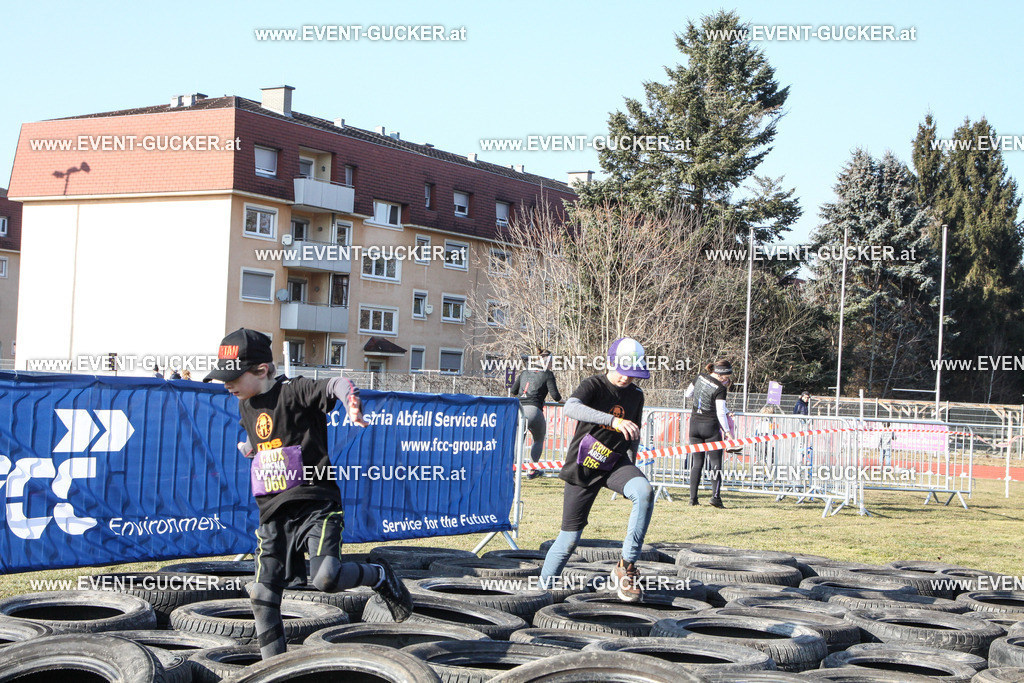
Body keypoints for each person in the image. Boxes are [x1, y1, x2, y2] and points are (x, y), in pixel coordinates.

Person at [204, 328, 412, 660]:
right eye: (222, 377)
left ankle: (380, 574)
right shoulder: (244, 403)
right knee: (261, 596)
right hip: (272, 512)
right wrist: (248, 447)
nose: (226, 384)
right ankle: (274, 669)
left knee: (326, 578)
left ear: (261, 370)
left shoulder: (296, 390)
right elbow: (261, 437)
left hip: (317, 504)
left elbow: (336, 385)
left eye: (232, 376)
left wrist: (350, 401)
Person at [539, 337, 654, 602]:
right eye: (624, 372)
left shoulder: (637, 395)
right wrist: (613, 421)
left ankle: (626, 567)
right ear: (611, 363)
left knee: (644, 491)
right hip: (584, 466)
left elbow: (632, 433)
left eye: (633, 374)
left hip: (615, 464)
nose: (627, 378)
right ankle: (541, 591)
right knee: (569, 539)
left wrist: (631, 462)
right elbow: (570, 407)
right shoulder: (593, 384)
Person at [683, 359, 736, 508]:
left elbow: (688, 394)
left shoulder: (699, 377)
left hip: (694, 425)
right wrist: (727, 432)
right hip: (710, 427)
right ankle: (715, 497)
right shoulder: (720, 388)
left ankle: (693, 499)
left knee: (697, 463)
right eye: (727, 376)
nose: (727, 380)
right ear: (722, 375)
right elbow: (720, 412)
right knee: (715, 464)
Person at [510, 349, 563, 480]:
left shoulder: (524, 372)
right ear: (548, 361)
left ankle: (512, 470)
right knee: (538, 439)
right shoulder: (547, 374)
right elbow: (555, 395)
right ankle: (532, 470)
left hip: (519, 410)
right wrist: (563, 402)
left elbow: (513, 390)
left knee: (518, 440)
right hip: (534, 410)